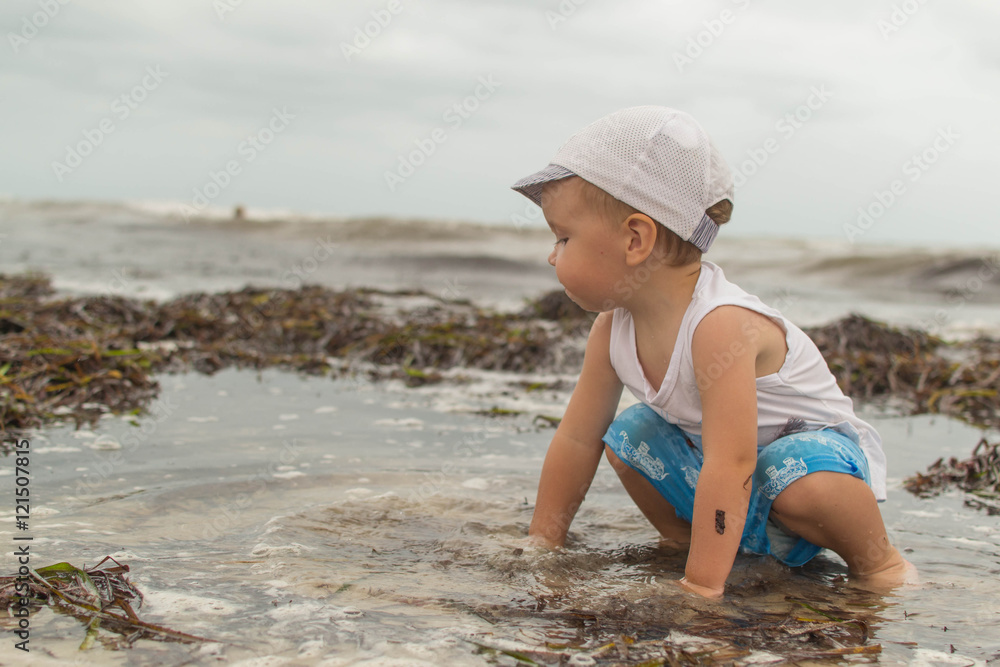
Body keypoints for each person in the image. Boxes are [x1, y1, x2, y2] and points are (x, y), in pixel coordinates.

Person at [509, 106, 915, 599]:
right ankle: (695, 547)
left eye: (563, 236)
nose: (553, 254)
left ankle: (881, 565)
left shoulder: (719, 325)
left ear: (635, 238)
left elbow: (732, 463)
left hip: (810, 478)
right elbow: (577, 440)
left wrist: (701, 592)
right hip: (737, 496)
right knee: (631, 433)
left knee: (787, 468)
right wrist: (543, 543)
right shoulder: (611, 329)